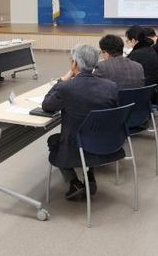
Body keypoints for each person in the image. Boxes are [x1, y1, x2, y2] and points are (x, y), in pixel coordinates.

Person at [43, 44, 119, 200]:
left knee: (53, 140)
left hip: (75, 146)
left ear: (74, 63)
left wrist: (61, 80)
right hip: (105, 143)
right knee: (89, 135)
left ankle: (74, 183)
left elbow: (47, 105)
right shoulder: (110, 86)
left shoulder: (66, 88)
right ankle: (89, 176)